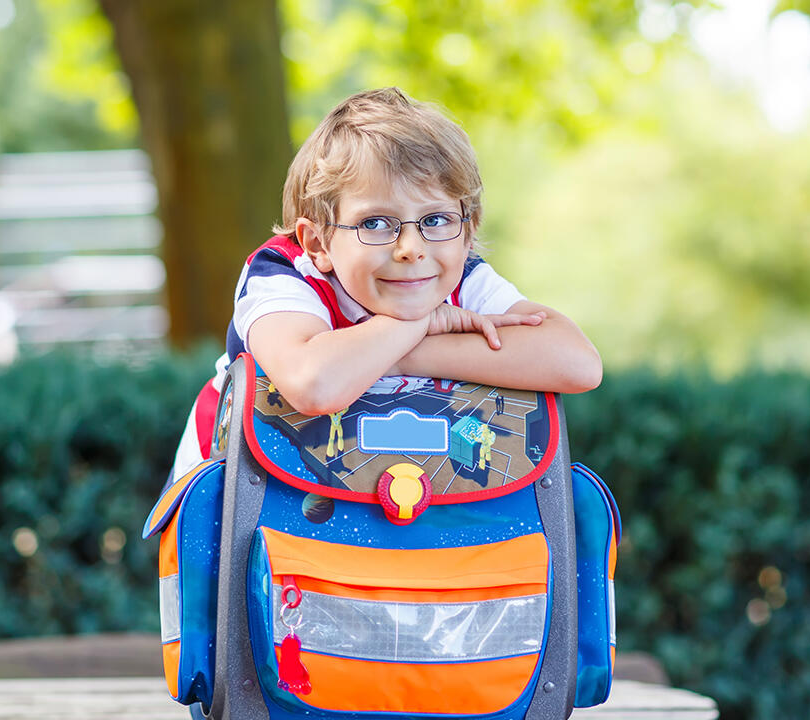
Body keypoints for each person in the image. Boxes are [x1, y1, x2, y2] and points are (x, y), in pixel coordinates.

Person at [168, 87, 600, 479]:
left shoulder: (459, 273)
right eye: (375, 223)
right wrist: (419, 322)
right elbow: (315, 384)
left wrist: (402, 354)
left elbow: (578, 363)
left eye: (435, 219)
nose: (411, 248)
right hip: (245, 502)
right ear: (317, 243)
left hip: (390, 509)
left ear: (467, 233)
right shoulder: (284, 275)